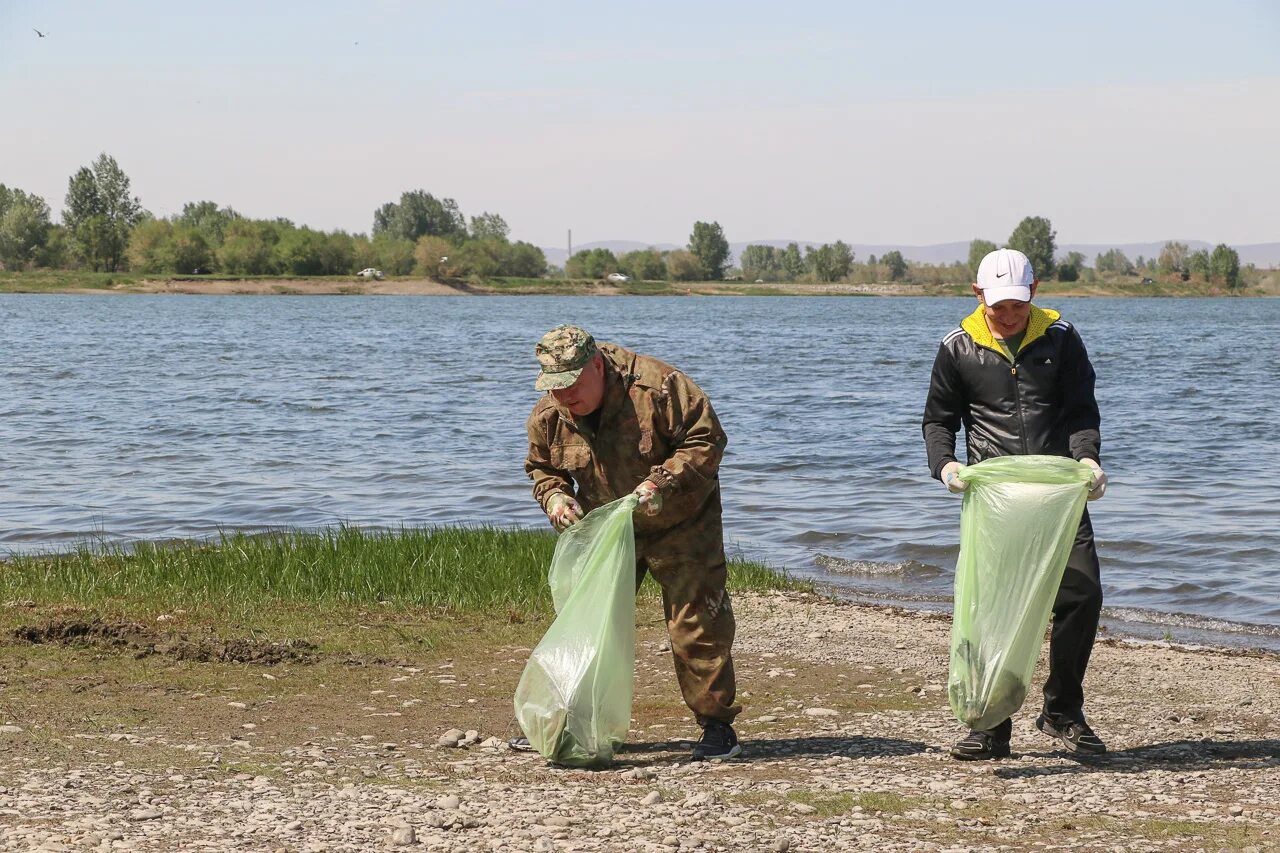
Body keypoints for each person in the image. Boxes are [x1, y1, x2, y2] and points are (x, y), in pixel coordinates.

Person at [922, 248, 1109, 760]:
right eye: (998, 305)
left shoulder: (1062, 340)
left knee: (1082, 594)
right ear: (978, 294)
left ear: (1035, 292)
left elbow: (1080, 411)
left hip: (1058, 495)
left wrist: (1088, 461)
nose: (1008, 316)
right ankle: (991, 722)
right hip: (996, 498)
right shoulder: (957, 348)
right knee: (992, 606)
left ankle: (1062, 710)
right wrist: (945, 467)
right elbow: (938, 421)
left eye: (1018, 305)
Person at [523, 324, 742, 761]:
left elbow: (707, 440)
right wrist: (555, 497)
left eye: (571, 386)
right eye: (554, 388)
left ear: (597, 366)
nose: (563, 397)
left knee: (696, 626)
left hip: (682, 523)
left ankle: (717, 727)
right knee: (586, 625)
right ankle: (569, 727)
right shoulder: (550, 412)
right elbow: (542, 468)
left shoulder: (660, 386)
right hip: (608, 529)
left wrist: (661, 481)